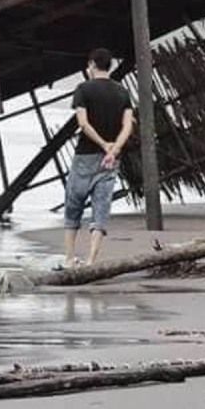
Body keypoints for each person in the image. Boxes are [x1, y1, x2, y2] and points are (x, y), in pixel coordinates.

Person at [63, 48, 133, 267]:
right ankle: (91, 260)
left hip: (85, 156)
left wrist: (103, 144)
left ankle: (69, 258)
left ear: (92, 65)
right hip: (110, 160)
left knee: (73, 206)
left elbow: (83, 123)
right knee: (101, 208)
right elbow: (128, 126)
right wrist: (113, 150)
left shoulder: (83, 89)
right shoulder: (122, 92)